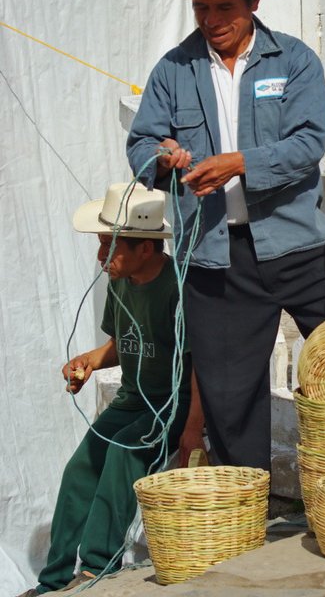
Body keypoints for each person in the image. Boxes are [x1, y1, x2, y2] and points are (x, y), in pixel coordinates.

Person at [126, 0, 325, 474]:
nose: (211, 21)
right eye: (202, 9)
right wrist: (163, 159)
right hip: (214, 257)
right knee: (231, 407)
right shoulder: (172, 70)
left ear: (254, 2)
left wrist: (239, 164)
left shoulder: (295, 62)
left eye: (224, 7)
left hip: (298, 243)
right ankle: (244, 527)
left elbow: (307, 144)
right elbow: (139, 145)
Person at [18, 182, 204, 596]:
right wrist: (88, 361)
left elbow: (200, 364)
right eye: (102, 243)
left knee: (122, 452)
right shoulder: (120, 282)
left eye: (112, 245)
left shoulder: (179, 288)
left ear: (146, 249)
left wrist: (193, 428)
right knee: (79, 468)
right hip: (131, 400)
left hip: (172, 404)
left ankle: (97, 570)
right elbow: (121, 345)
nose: (102, 255)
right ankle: (53, 580)